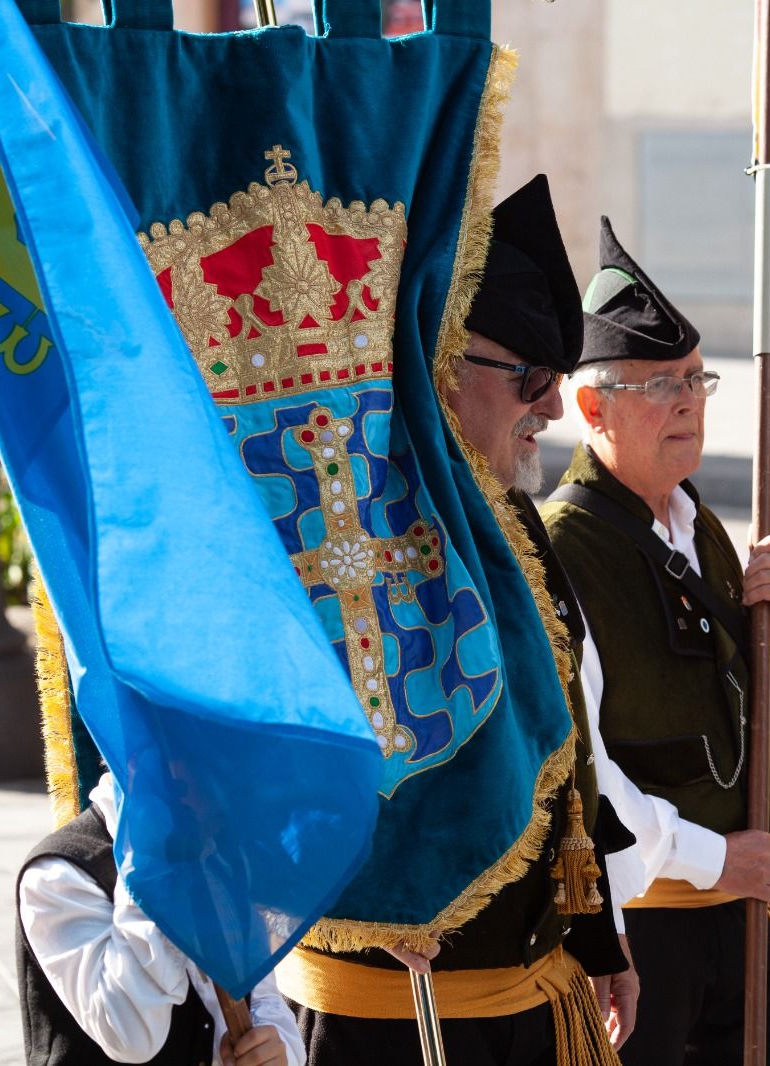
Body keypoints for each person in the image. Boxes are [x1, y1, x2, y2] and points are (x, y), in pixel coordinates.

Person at [279, 175, 640, 1064]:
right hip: (387, 1011)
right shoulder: (337, 523)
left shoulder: (509, 513)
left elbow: (558, 740)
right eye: (530, 376)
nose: (552, 407)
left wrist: (596, 937)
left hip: (531, 988)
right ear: (441, 362)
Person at [541, 218, 770, 1065]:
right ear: (593, 407)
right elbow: (579, 763)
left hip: (742, 923)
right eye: (662, 384)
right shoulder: (563, 547)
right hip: (641, 934)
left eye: (698, 379)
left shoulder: (702, 529)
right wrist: (713, 858)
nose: (690, 401)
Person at [16, 770, 301, 1066]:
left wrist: (272, 1049)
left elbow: (261, 996)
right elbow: (131, 1038)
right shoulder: (58, 876)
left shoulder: (216, 855)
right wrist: (150, 864)